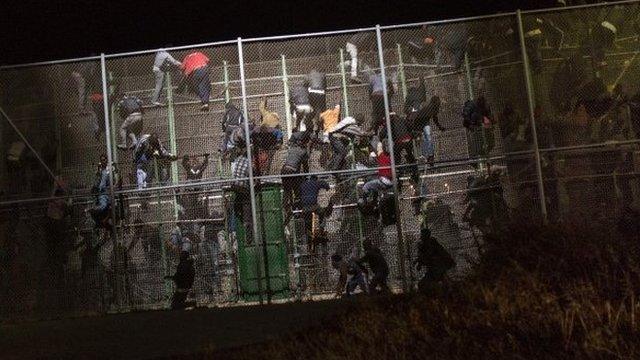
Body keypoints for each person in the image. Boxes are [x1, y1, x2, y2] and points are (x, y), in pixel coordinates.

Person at [281, 131, 310, 226]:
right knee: (297, 190)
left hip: (284, 170)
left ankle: (286, 208)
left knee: (287, 190)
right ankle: (296, 208)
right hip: (292, 171)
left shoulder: (292, 148)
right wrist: (306, 177)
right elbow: (305, 167)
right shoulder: (304, 152)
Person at [299, 175, 334, 252]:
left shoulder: (302, 184)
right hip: (314, 206)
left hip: (305, 208)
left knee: (308, 224)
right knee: (322, 212)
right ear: (315, 179)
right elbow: (326, 186)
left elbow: (299, 194)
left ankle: (309, 244)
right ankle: (321, 226)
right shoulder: (316, 183)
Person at [414, 228, 455, 293]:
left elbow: (431, 254)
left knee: (441, 279)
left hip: (437, 267)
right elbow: (424, 256)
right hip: (434, 268)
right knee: (423, 284)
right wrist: (419, 262)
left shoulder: (431, 243)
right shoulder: (425, 245)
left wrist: (419, 261)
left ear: (426, 235)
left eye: (422, 235)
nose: (421, 236)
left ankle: (448, 290)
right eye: (421, 234)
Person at [307, 70, 327, 134]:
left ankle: (313, 123)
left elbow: (305, 85)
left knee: (313, 108)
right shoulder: (323, 75)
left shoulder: (309, 74)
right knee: (322, 109)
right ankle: (321, 123)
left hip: (312, 93)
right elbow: (325, 85)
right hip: (321, 92)